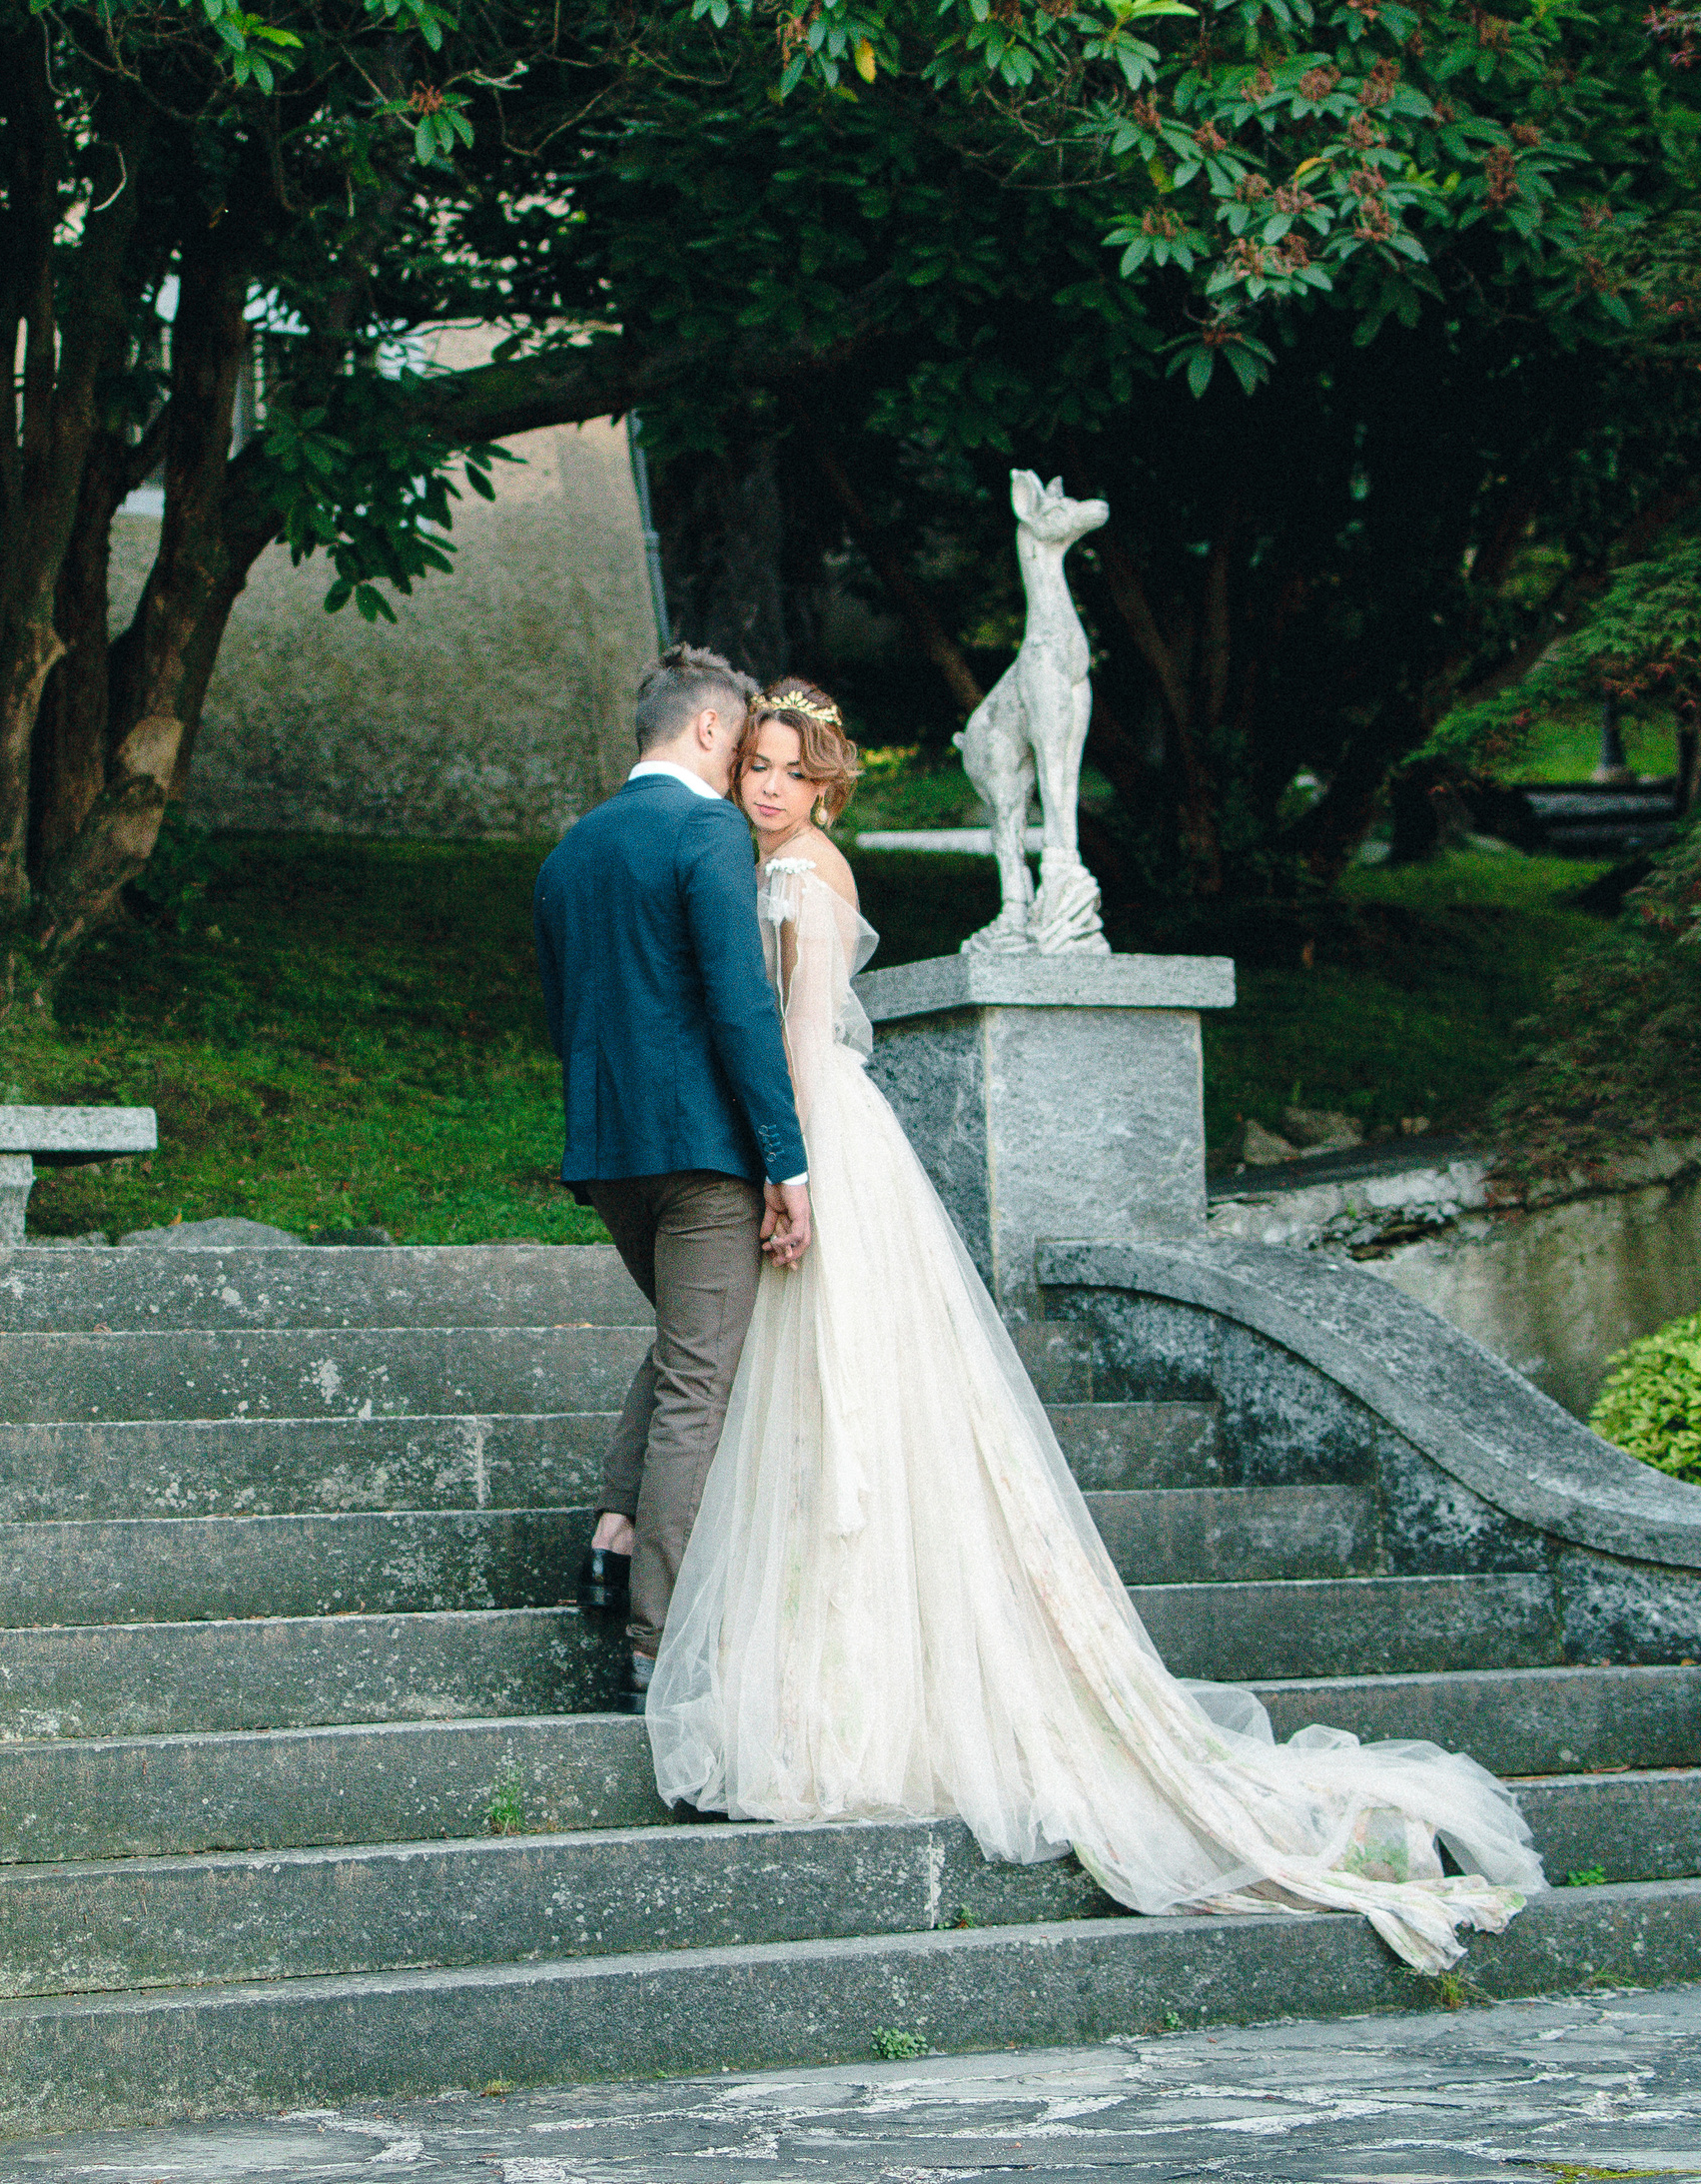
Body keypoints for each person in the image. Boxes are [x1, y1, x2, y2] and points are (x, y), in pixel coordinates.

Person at [644, 675, 1543, 1973]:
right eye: (756, 769)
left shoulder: (794, 882)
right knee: (833, 1425)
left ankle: (840, 1713)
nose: (767, 787)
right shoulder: (798, 870)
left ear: (828, 784)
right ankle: (827, 1694)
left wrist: (787, 1181)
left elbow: (791, 1045)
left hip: (821, 1152)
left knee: (841, 1413)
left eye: (789, 771)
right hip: (840, 1136)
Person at [533, 643, 814, 1711]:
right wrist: (783, 1159)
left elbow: (569, 1020)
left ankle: (613, 1534)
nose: (751, 765)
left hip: (611, 1160)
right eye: (743, 741)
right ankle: (659, 1645)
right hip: (704, 1157)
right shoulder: (705, 831)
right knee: (703, 1381)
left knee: (687, 1345)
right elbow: (739, 1008)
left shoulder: (567, 855)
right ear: (707, 729)